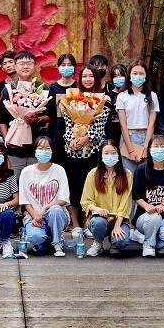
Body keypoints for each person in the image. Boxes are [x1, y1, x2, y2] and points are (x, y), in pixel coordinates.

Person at [63, 64, 110, 231]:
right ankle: (75, 224)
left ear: (96, 78)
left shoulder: (103, 100)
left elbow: (100, 126)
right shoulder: (72, 99)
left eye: (91, 76)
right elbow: (68, 123)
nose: (87, 79)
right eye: (84, 76)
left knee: (91, 186)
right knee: (73, 186)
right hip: (73, 152)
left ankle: (88, 223)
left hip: (93, 152)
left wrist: (86, 138)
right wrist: (72, 140)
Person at [0, 51, 49, 178]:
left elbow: (50, 116)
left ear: (35, 66)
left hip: (37, 147)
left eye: (29, 63)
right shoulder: (8, 90)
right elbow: (1, 119)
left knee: (34, 182)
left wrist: (37, 119)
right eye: (21, 63)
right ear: (15, 66)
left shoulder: (42, 89)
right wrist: (7, 140)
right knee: (14, 183)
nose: (25, 66)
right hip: (14, 148)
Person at [19, 136, 71, 256]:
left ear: (52, 151)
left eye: (47, 148)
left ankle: (57, 243)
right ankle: (49, 239)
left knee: (55, 209)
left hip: (55, 215)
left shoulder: (59, 170)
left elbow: (64, 199)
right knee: (35, 239)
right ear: (35, 150)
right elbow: (24, 201)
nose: (44, 151)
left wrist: (45, 208)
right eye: (40, 148)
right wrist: (36, 216)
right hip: (34, 217)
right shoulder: (26, 171)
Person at [81, 140, 133, 256]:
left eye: (113, 153)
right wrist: (97, 209)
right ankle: (98, 242)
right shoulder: (93, 174)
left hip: (119, 219)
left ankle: (114, 243)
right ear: (101, 155)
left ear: (118, 154)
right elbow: (85, 201)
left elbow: (125, 203)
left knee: (122, 241)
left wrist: (117, 226)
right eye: (106, 153)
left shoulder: (127, 174)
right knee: (98, 223)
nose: (110, 156)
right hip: (100, 217)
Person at [132, 135, 164, 257]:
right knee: (153, 217)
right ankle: (149, 244)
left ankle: (155, 242)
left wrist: (163, 205)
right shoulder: (141, 170)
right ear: (149, 149)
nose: (159, 149)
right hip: (144, 217)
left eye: (163, 146)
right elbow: (136, 195)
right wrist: (147, 206)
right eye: (156, 146)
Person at [117, 59, 159, 173]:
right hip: (128, 138)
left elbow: (151, 124)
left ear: (146, 75)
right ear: (129, 75)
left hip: (146, 137)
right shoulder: (122, 96)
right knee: (129, 176)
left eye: (141, 73)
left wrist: (146, 148)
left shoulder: (152, 96)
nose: (138, 76)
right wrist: (130, 151)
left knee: (145, 176)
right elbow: (123, 125)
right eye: (135, 73)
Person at [47, 53, 79, 167]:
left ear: (74, 67)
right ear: (59, 68)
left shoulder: (79, 87)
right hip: (56, 133)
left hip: (75, 134)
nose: (66, 67)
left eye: (69, 65)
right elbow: (48, 113)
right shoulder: (51, 88)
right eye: (63, 65)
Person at [104, 63, 127, 142]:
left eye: (121, 76)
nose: (118, 78)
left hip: (127, 133)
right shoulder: (107, 96)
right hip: (111, 134)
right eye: (115, 76)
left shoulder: (129, 95)